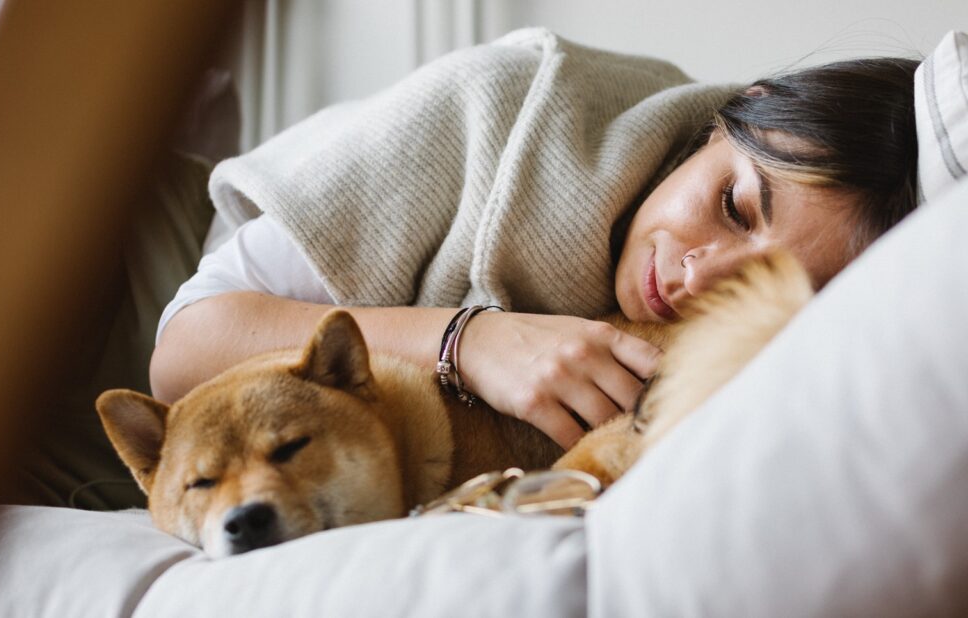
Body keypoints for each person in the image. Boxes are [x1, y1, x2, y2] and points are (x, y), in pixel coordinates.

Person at [151, 29, 919, 450]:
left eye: (759, 287)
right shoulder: (506, 102)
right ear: (740, 112)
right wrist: (471, 341)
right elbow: (182, 354)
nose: (696, 278)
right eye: (734, 206)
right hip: (159, 276)